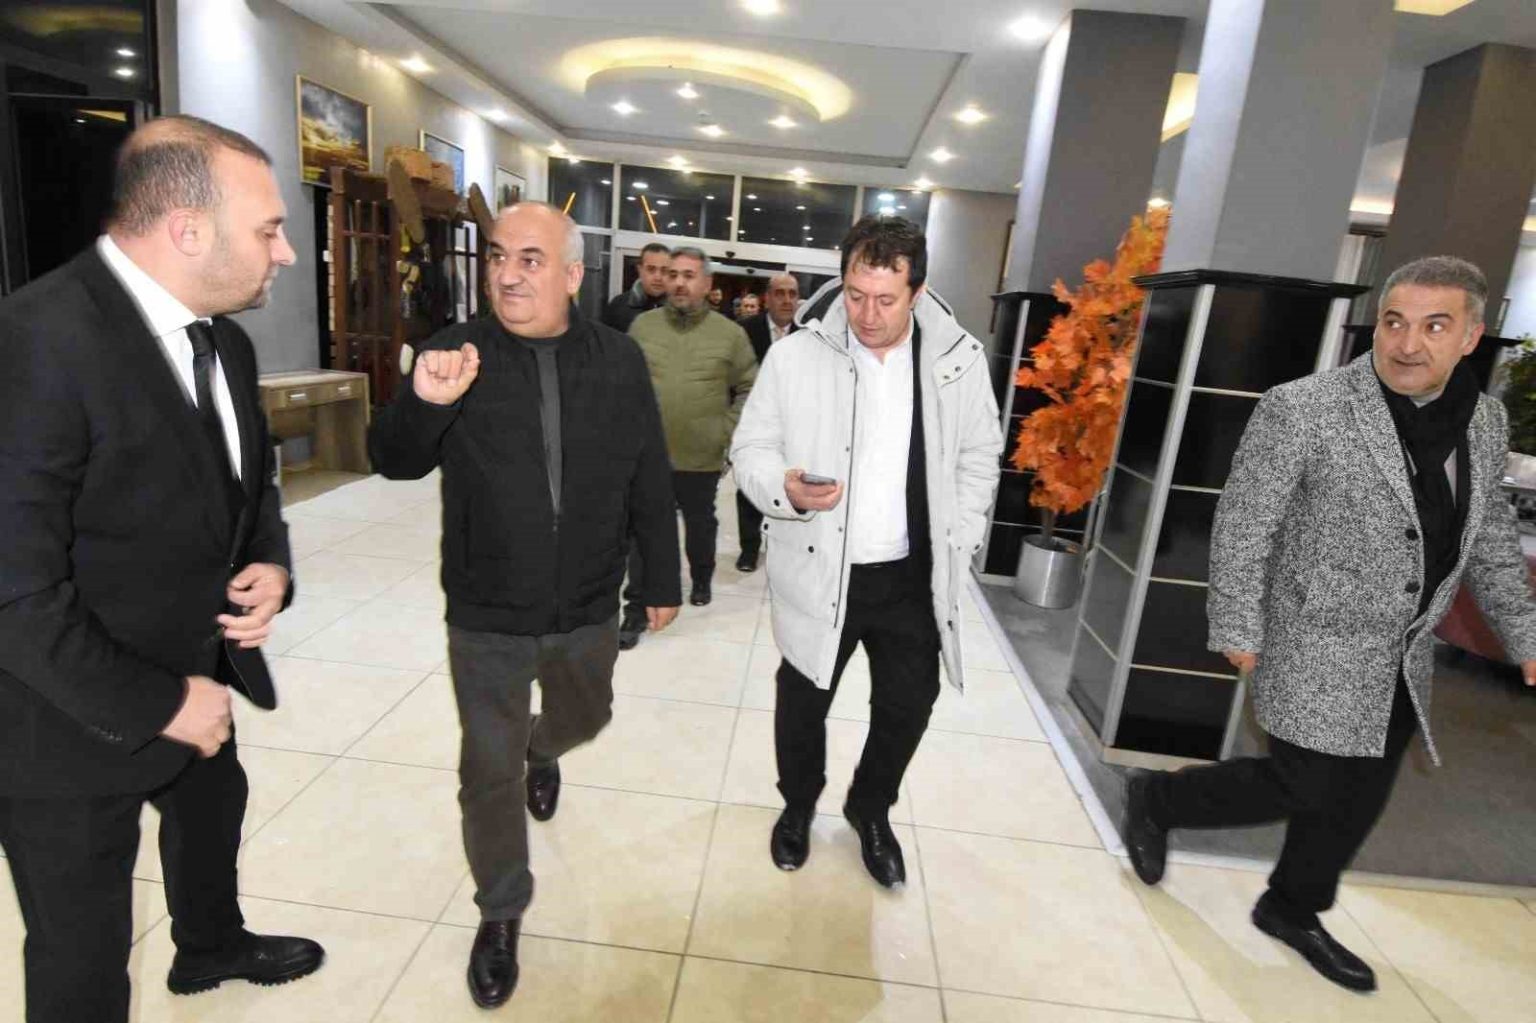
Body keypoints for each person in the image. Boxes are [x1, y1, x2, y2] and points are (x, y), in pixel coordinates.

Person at [1121, 255, 1536, 993]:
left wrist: (1527, 637)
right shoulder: (1305, 407)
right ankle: (1158, 798)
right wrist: (1237, 623)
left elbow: (1492, 541)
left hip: (1404, 650)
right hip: (1312, 634)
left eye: (1434, 326)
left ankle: (1292, 906)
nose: (1407, 343)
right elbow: (1246, 522)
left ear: (1471, 337)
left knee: (1360, 795)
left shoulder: (1483, 420)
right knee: (1304, 783)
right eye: (1395, 321)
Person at [0, 115, 323, 1023]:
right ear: (187, 229)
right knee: (81, 952)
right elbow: (12, 589)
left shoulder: (226, 340)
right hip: (67, 713)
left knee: (211, 819)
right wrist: (159, 704)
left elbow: (247, 483)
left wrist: (269, 561)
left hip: (199, 671)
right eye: (269, 229)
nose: (286, 252)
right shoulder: (36, 341)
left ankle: (210, 944)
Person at [369, 201, 681, 1008]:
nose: (507, 274)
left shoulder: (618, 359)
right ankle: (501, 908)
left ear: (573, 275)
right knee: (487, 766)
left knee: (587, 717)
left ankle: (546, 749)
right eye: (498, 256)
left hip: (586, 603)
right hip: (486, 610)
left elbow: (648, 470)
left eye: (531, 260)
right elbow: (394, 459)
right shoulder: (453, 350)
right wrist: (425, 403)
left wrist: (660, 577)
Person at [732, 216, 1002, 888]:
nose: (867, 314)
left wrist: (961, 533)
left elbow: (979, 454)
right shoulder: (797, 356)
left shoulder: (957, 360)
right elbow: (751, 448)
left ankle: (870, 807)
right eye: (855, 294)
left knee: (909, 705)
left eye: (885, 299)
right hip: (822, 566)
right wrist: (785, 488)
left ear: (918, 292)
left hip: (912, 575)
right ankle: (798, 804)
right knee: (803, 700)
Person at [623, 247, 758, 647]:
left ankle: (701, 578)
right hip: (647, 457)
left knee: (700, 524)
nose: (679, 282)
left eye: (688, 275)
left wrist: (725, 432)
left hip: (701, 456)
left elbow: (751, 387)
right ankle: (635, 609)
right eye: (673, 274)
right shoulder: (643, 327)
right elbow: (622, 384)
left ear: (706, 283)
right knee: (642, 533)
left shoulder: (730, 335)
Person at [734, 272, 801, 573]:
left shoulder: (809, 335)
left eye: (792, 294)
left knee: (792, 485)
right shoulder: (745, 332)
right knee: (751, 484)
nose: (787, 300)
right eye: (780, 293)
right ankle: (749, 549)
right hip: (756, 422)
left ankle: (785, 548)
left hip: (796, 426)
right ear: (767, 298)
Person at [602, 241, 670, 332]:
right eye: (651, 269)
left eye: (664, 270)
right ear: (640, 270)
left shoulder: (680, 310)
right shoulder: (618, 307)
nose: (658, 277)